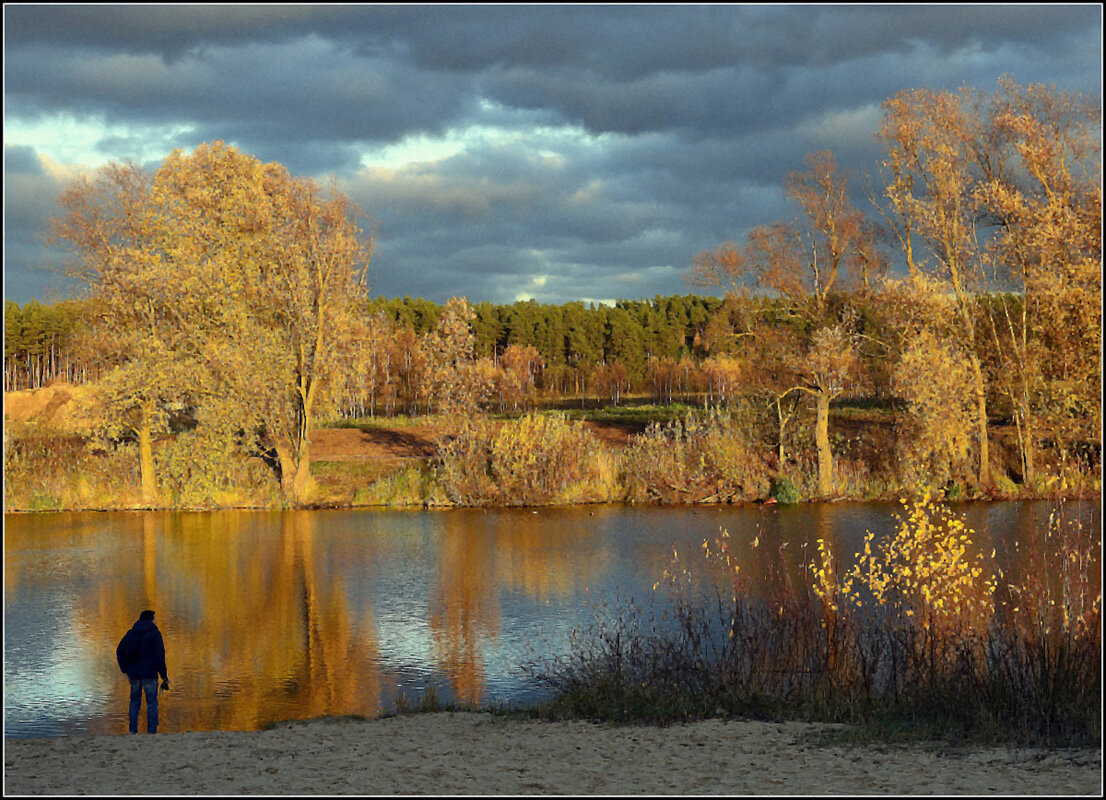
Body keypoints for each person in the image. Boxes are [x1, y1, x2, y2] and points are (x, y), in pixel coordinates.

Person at [116, 609, 170, 734]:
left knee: (134, 702)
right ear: (151, 620)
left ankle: (133, 730)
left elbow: (119, 651)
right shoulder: (155, 634)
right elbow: (160, 656)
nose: (156, 621)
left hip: (134, 675)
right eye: (155, 618)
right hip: (150, 674)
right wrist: (164, 676)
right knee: (152, 703)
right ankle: (152, 732)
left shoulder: (131, 634)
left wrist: (125, 670)